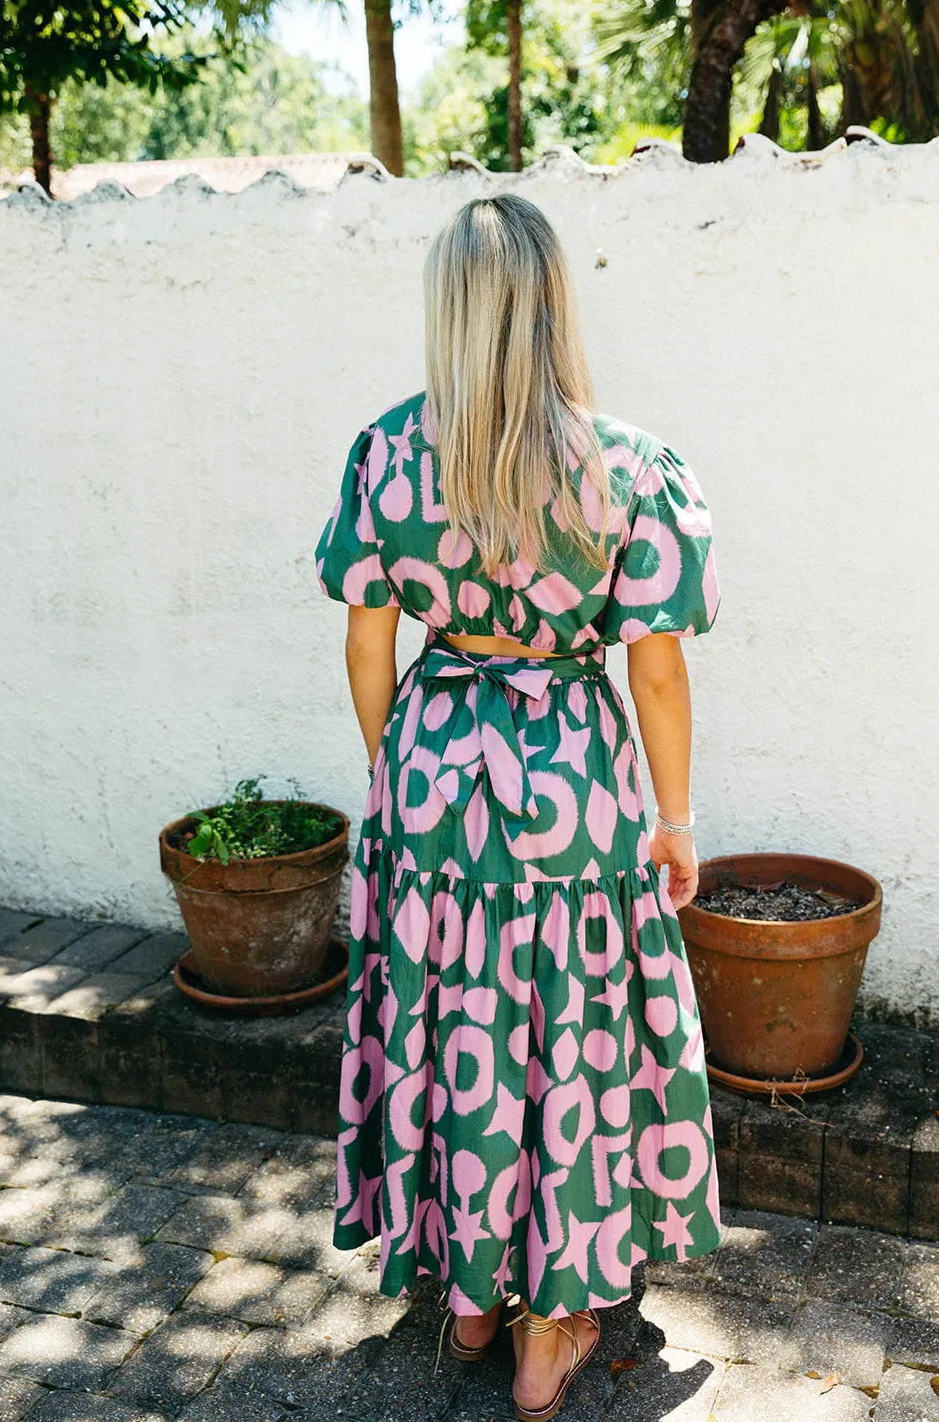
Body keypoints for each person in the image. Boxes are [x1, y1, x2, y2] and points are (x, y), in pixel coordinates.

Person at [314, 193, 721, 1422]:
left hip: (436, 770)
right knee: (569, 1043)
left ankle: (474, 1290)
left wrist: (402, 766)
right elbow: (654, 664)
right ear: (552, 303)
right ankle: (552, 1332)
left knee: (461, 1028)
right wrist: (675, 815)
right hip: (575, 785)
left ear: (450, 310)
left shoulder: (388, 453)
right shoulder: (633, 468)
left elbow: (366, 639)